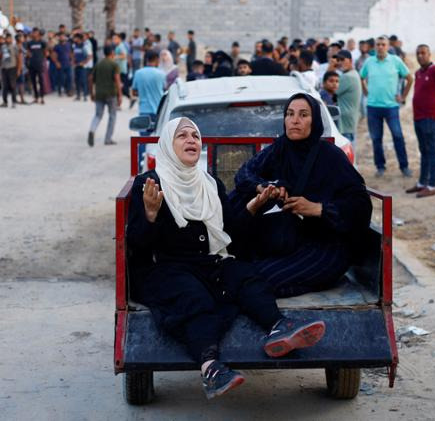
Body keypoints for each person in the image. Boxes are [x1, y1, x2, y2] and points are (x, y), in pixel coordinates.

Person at [127, 117, 326, 399]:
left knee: (246, 277)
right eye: (182, 136)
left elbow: (228, 231)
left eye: (195, 136)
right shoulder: (149, 185)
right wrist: (149, 214)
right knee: (195, 299)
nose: (191, 140)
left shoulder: (210, 184)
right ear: (168, 147)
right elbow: (136, 242)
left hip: (209, 262)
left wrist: (253, 207)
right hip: (166, 268)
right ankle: (210, 368)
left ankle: (278, 328)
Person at [231, 93, 373, 297]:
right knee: (240, 197)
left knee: (259, 280)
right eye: (289, 114)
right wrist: (264, 188)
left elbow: (361, 206)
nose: (294, 120)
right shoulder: (282, 148)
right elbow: (244, 173)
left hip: (328, 245)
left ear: (314, 121)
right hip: (296, 236)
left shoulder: (330, 156)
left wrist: (318, 209)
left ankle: (314, 280)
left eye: (303, 115)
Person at [360, 36, 414, 177]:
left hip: (391, 107)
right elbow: (361, 77)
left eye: (383, 44)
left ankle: (404, 166)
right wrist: (365, 91)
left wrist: (403, 96)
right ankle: (380, 166)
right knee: (376, 139)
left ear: (388, 46)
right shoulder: (369, 61)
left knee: (397, 136)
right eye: (378, 44)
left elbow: (409, 78)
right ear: (375, 46)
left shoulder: (395, 61)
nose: (380, 47)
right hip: (373, 107)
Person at [405, 44, 435, 198]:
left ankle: (432, 184)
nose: (420, 56)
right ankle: (421, 183)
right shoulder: (418, 73)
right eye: (418, 53)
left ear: (429, 54)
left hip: (431, 117)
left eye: (423, 53)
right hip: (418, 117)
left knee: (431, 150)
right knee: (423, 150)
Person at [87, 45, 122, 146]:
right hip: (111, 94)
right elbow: (117, 81)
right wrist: (119, 95)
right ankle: (108, 139)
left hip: (99, 93)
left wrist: (91, 93)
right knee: (112, 116)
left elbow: (90, 79)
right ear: (112, 53)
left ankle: (92, 130)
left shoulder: (99, 64)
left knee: (98, 115)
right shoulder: (114, 65)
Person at [131, 50, 165, 135]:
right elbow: (164, 90)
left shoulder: (138, 73)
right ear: (156, 59)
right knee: (158, 140)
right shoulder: (161, 74)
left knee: (143, 140)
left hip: (144, 111)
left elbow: (134, 92)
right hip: (158, 111)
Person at [335, 50, 362, 154]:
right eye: (338, 60)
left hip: (345, 123)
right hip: (349, 121)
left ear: (350, 60)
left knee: (346, 158)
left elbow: (332, 91)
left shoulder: (347, 77)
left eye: (342, 59)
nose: (340, 62)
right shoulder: (353, 73)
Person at [25, 27, 47, 104]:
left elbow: (45, 53)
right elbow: (27, 52)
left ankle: (42, 97)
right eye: (33, 32)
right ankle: (36, 97)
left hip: (39, 64)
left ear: (38, 33)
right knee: (33, 81)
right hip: (32, 64)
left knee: (41, 81)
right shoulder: (30, 43)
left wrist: (42, 60)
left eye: (36, 32)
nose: (34, 34)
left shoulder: (42, 42)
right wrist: (28, 56)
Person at [0, 33, 21, 108]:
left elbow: (18, 58)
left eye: (9, 38)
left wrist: (18, 69)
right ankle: (5, 101)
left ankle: (14, 101)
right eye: (6, 38)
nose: (8, 40)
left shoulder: (14, 47)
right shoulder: (2, 47)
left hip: (12, 68)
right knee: (4, 86)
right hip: (4, 68)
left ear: (11, 39)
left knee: (13, 85)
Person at [71, 33, 89, 101]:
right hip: (76, 65)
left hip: (83, 66)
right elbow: (73, 54)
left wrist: (83, 63)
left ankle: (85, 95)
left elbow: (88, 56)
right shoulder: (74, 46)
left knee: (83, 81)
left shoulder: (84, 46)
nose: (74, 39)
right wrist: (73, 61)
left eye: (75, 38)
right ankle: (78, 95)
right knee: (77, 80)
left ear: (79, 38)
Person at [113, 33, 130, 98]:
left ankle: (130, 97)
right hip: (118, 68)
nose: (114, 40)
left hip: (121, 69)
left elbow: (124, 55)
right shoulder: (118, 46)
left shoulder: (121, 46)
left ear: (119, 39)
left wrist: (115, 57)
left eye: (115, 39)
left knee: (121, 85)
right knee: (119, 85)